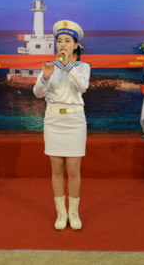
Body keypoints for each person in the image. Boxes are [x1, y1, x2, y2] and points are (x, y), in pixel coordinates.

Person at [33, 20, 91, 231]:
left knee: (73, 169)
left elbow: (82, 87)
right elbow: (37, 94)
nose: (62, 45)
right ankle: (61, 212)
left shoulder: (83, 67)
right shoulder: (49, 66)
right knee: (56, 169)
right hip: (53, 120)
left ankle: (74, 212)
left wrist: (67, 65)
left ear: (76, 45)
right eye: (60, 41)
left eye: (67, 41)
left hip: (74, 121)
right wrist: (45, 77)